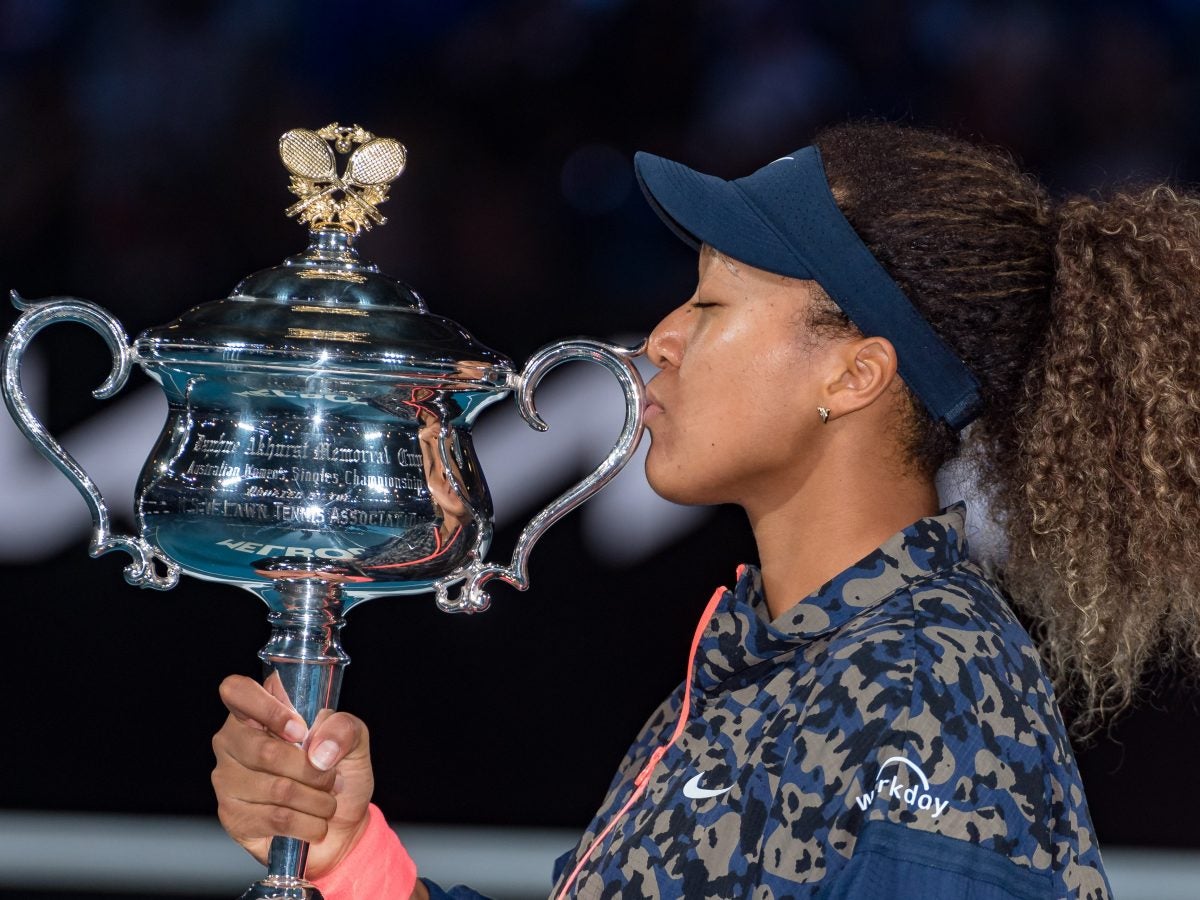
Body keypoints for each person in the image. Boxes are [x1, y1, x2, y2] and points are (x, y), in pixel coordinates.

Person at [211, 121, 1200, 898]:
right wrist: (348, 859)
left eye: (714, 306)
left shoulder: (930, 690)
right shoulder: (760, 662)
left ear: (855, 374)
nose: (663, 339)